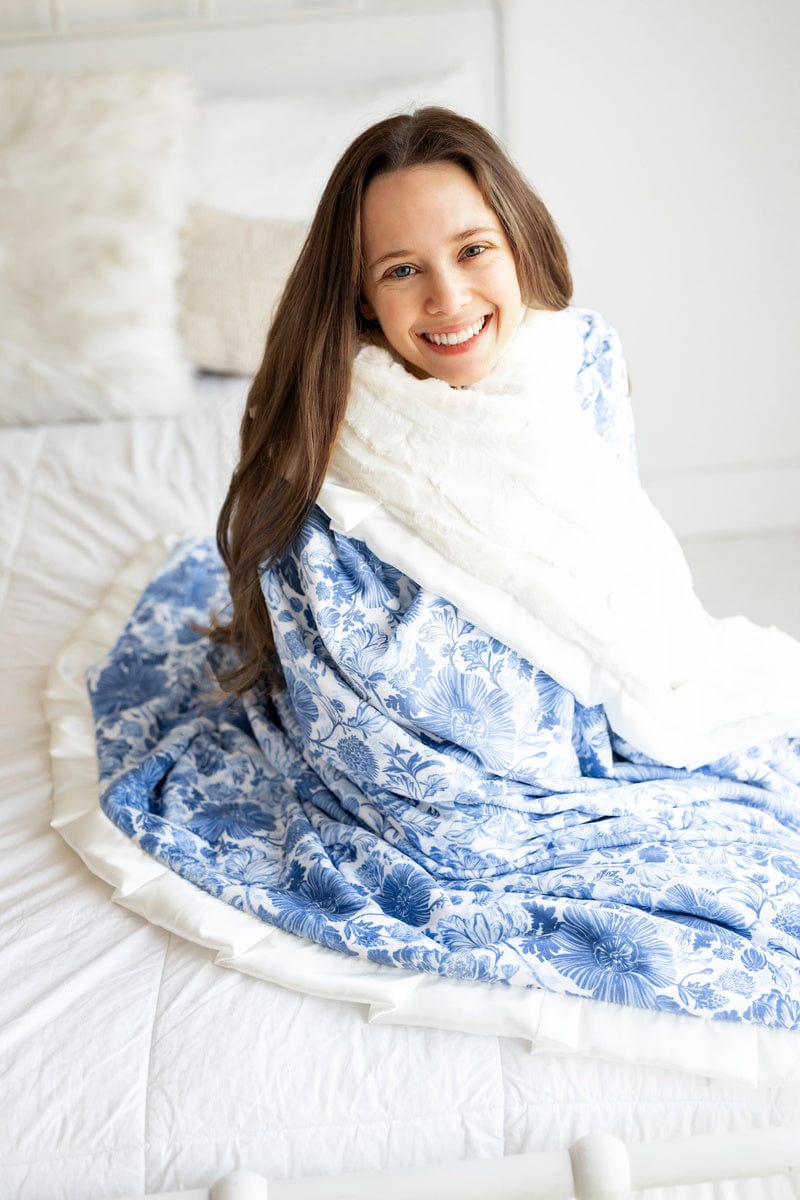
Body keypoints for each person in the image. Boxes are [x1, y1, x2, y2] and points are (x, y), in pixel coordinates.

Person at [89, 108, 800, 1031]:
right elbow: (374, 704)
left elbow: (611, 575)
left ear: (517, 241)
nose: (449, 299)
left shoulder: (578, 359)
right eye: (401, 270)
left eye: (473, 250)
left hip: (594, 714)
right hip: (437, 757)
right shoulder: (331, 441)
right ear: (360, 300)